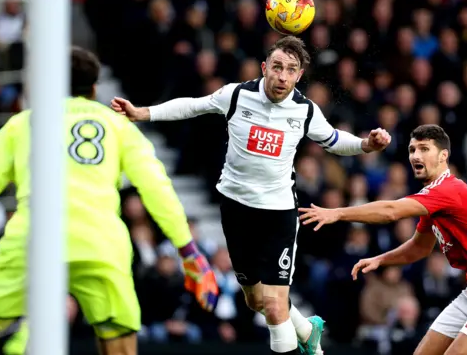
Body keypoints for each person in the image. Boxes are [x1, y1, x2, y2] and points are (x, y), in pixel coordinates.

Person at [110, 36, 391, 355]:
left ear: (299, 76)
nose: (283, 76)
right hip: (235, 209)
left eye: (291, 70)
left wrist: (366, 144)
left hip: (278, 214)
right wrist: (142, 113)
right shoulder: (237, 95)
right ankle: (305, 328)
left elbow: (333, 139)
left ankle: (299, 344)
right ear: (264, 68)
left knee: (273, 306)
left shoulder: (304, 110)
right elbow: (192, 105)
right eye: (277, 67)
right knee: (255, 300)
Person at [0, 46, 218, 355]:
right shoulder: (117, 125)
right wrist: (189, 253)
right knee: (120, 348)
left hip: (31, 241)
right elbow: (157, 189)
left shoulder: (23, 124)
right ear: (94, 89)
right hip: (99, 244)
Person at [299, 124, 467, 355]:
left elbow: (390, 210)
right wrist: (382, 259)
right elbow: (419, 248)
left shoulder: (448, 190)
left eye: (424, 149)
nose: (415, 156)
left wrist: (337, 213)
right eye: (412, 150)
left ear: (443, 156)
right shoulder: (432, 199)